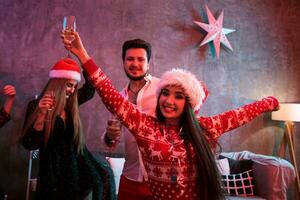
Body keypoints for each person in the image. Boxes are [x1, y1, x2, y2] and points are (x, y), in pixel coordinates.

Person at [62, 31, 279, 200]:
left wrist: (270, 102)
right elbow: (106, 90)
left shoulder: (205, 127)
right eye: (165, 93)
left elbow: (240, 114)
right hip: (133, 179)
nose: (168, 100)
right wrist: (82, 54)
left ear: (189, 103)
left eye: (178, 96)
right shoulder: (146, 127)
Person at [21, 58, 116, 200]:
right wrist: (41, 115)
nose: (72, 91)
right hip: (53, 170)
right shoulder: (36, 106)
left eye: (74, 87)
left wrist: (81, 58)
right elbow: (29, 143)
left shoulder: (71, 103)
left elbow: (90, 90)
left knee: (104, 177)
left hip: (76, 165)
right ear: (58, 84)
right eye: (69, 85)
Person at [103, 39, 159, 200]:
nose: (135, 63)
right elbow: (110, 143)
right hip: (129, 179)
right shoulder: (119, 98)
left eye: (140, 59)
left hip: (160, 180)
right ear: (123, 62)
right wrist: (110, 136)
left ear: (148, 63)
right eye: (130, 59)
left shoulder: (163, 89)